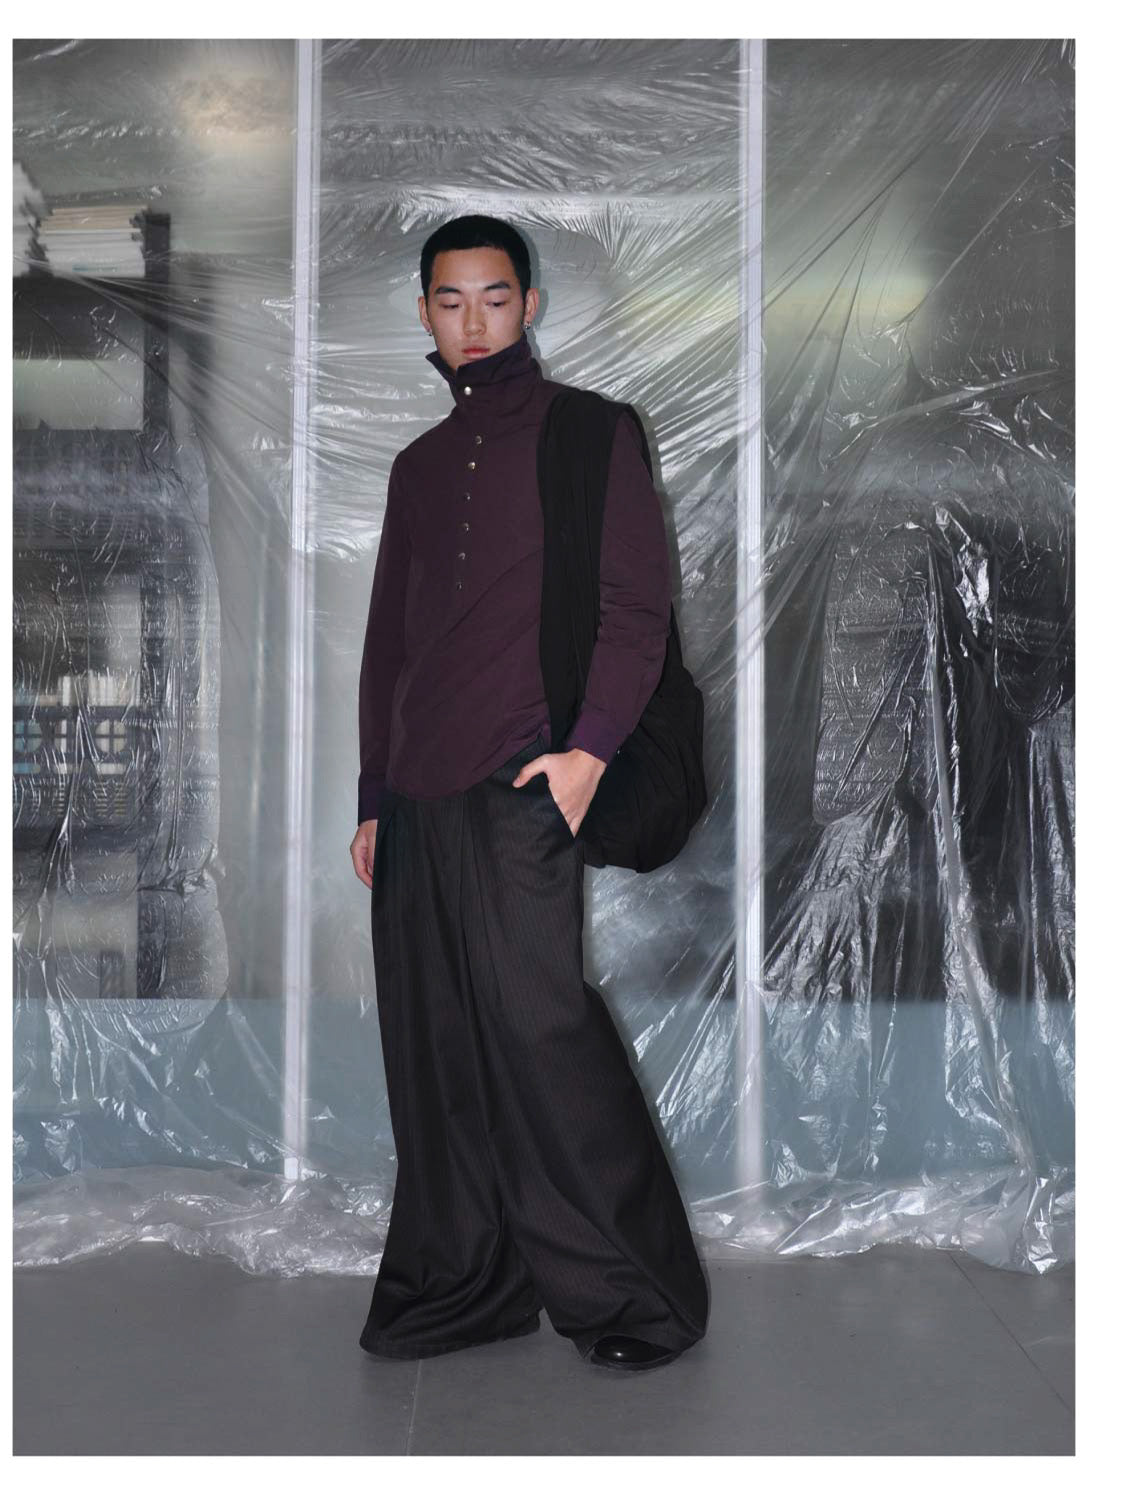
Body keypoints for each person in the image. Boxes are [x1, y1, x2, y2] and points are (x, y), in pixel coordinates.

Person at [351, 213, 709, 1372]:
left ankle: (641, 1296)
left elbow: (635, 609)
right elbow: (390, 645)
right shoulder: (416, 468)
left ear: (530, 304)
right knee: (436, 1045)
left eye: (495, 297)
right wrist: (372, 794)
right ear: (425, 311)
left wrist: (588, 755)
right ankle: (467, 1284)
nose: (474, 321)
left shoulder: (592, 432)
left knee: (542, 1032)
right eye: (450, 301)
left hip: (523, 780)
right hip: (419, 795)